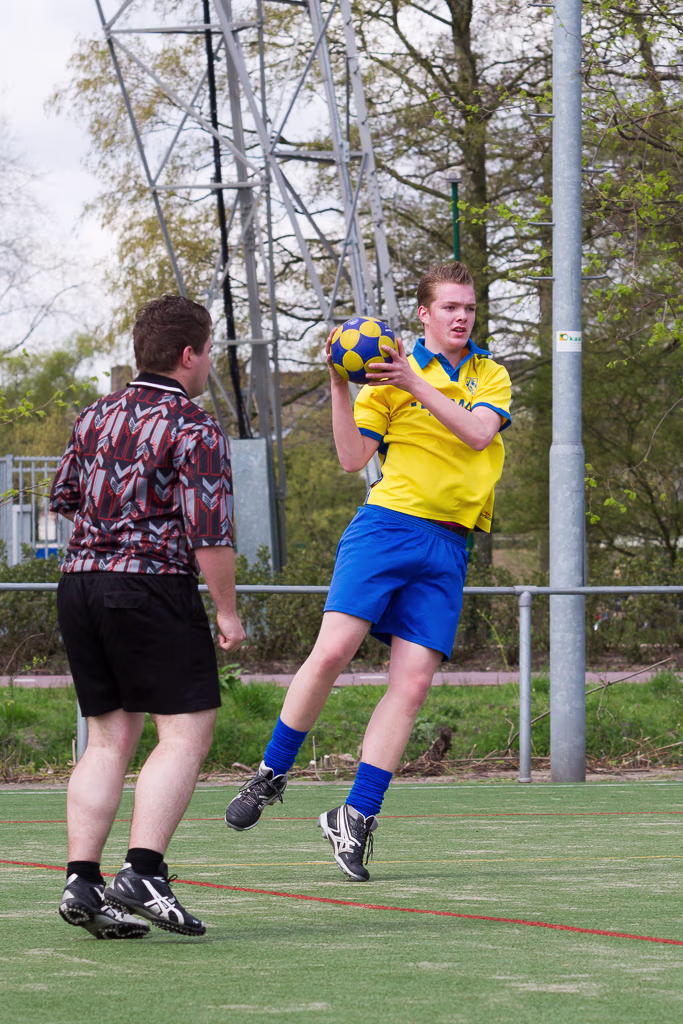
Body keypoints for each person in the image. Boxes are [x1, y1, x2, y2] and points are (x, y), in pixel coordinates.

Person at [224, 261, 511, 880]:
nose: (462, 316)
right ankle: (272, 772)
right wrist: (338, 386)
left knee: (412, 685)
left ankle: (356, 815)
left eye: (469, 307)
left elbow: (477, 434)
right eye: (450, 307)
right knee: (333, 651)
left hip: (449, 543)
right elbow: (353, 457)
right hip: (387, 526)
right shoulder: (383, 373)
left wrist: (414, 381)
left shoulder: (490, 373)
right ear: (424, 314)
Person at [50, 295, 245, 938]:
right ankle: (143, 872)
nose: (209, 361)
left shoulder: (94, 415)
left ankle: (83, 882)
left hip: (80, 584)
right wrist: (227, 612)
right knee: (185, 732)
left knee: (108, 738)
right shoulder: (195, 425)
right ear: (188, 354)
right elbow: (209, 530)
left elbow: (66, 498)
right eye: (208, 351)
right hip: (151, 587)